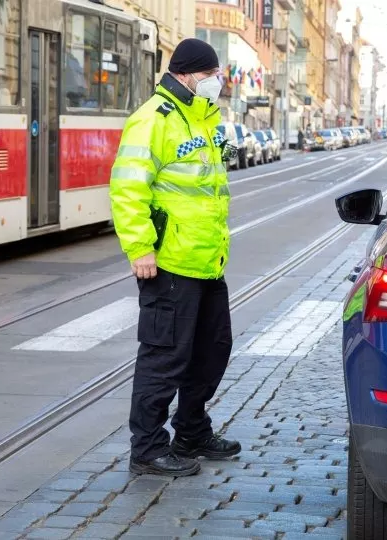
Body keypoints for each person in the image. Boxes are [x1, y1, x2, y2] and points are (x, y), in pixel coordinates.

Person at [109, 38, 241, 477]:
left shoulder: (204, 119)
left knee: (212, 349)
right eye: (210, 75)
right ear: (186, 74)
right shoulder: (153, 119)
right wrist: (140, 246)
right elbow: (128, 188)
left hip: (207, 260)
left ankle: (191, 431)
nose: (216, 82)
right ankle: (147, 448)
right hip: (167, 262)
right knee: (164, 358)